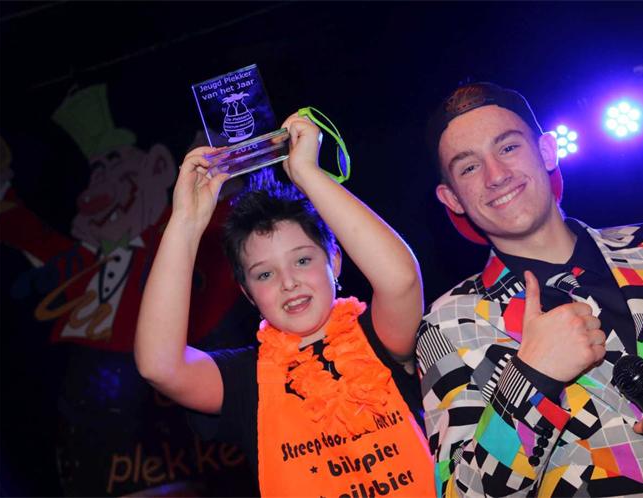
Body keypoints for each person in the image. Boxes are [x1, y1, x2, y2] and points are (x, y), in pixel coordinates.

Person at [416, 81, 643, 497]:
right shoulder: (448, 326)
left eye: (509, 147)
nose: (495, 176)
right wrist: (532, 376)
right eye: (468, 167)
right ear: (452, 198)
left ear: (547, 151)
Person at [134, 112, 435, 497]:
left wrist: (308, 174)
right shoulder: (247, 379)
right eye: (264, 274)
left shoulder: (380, 338)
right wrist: (186, 222)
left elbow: (401, 280)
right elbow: (159, 365)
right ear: (248, 294)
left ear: (334, 261)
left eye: (303, 260)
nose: (288, 282)